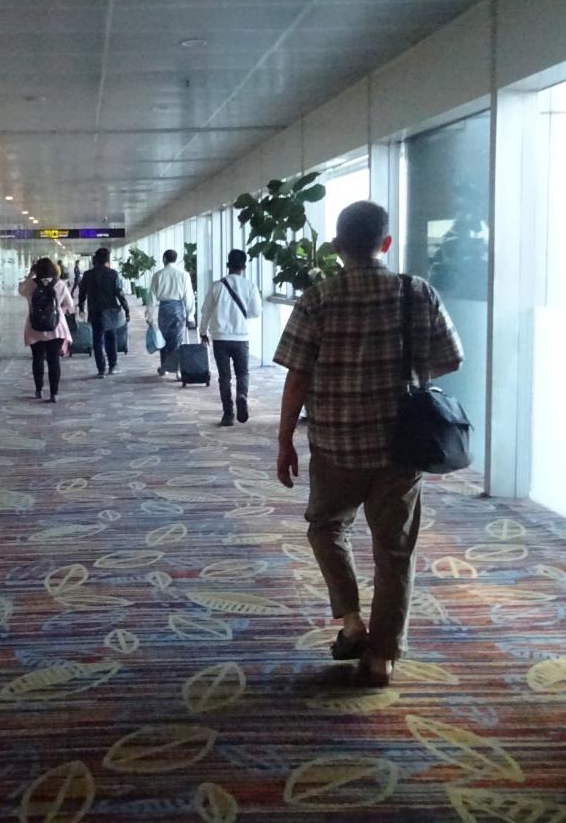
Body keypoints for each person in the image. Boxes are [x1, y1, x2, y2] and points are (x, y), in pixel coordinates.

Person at [274, 200, 463, 688]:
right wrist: (406, 372)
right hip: (402, 446)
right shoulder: (416, 292)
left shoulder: (318, 298)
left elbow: (298, 376)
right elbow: (452, 358)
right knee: (395, 550)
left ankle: (353, 621)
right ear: (387, 243)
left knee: (325, 528)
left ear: (337, 247)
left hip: (336, 443)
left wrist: (285, 439)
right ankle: (382, 657)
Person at [198, 248, 263, 427]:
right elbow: (256, 312)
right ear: (244, 267)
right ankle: (242, 395)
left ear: (228, 265)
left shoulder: (217, 286)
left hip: (220, 337)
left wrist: (203, 332)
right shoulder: (250, 286)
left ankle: (228, 414)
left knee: (224, 377)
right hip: (241, 337)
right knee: (243, 373)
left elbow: (205, 311)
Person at [19, 258, 75, 402]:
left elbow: (20, 290)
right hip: (56, 328)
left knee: (37, 359)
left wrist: (30, 275)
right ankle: (54, 393)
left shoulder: (31, 285)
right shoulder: (60, 284)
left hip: (34, 328)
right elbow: (70, 304)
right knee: (53, 360)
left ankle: (39, 390)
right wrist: (58, 311)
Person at [77, 247, 129, 378]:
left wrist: (82, 308)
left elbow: (82, 293)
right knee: (111, 337)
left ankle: (101, 369)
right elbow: (119, 293)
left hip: (95, 311)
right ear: (107, 260)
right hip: (110, 311)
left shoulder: (88, 275)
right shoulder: (113, 274)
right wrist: (126, 308)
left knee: (97, 339)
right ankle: (113, 366)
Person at [148, 249, 195, 378]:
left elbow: (152, 297)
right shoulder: (183, 275)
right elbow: (188, 296)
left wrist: (149, 315)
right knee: (177, 339)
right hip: (178, 309)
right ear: (175, 259)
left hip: (164, 310)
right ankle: (178, 370)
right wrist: (190, 315)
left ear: (164, 259)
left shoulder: (158, 275)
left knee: (163, 339)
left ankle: (165, 367)